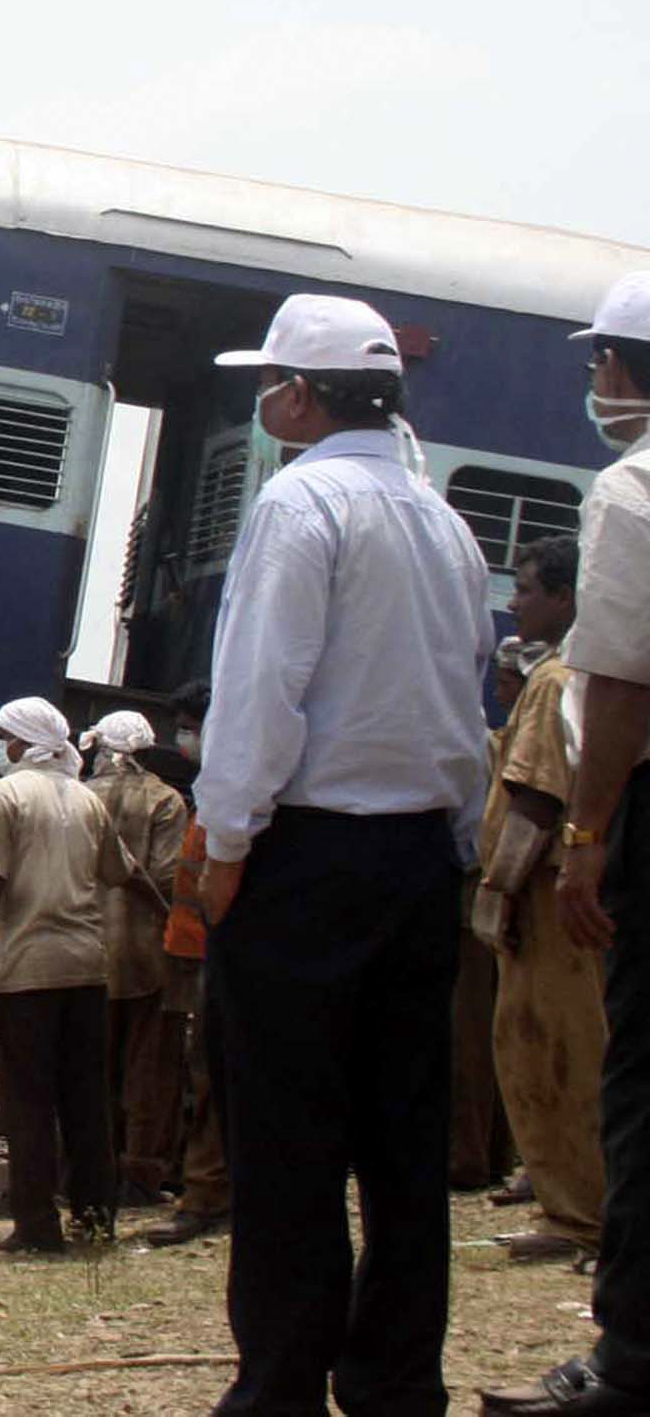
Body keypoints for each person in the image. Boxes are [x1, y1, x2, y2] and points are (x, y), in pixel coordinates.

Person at [198, 294, 494, 1414]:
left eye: (272, 381)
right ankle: (395, 1379)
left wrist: (227, 840)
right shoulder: (445, 523)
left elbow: (261, 690)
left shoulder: (299, 500)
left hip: (308, 856)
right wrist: (454, 845)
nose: (267, 400)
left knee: (287, 1137)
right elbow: (465, 706)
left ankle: (279, 1383)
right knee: (404, 1146)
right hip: (420, 857)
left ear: (305, 394)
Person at [488, 272, 650, 1417]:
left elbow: (626, 686)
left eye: (609, 358)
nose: (597, 378)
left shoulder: (633, 492)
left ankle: (634, 1358)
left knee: (638, 1085)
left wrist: (587, 837)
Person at [0, 696, 125, 1254]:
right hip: (88, 969)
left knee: (29, 1102)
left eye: (3, 736)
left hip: (26, 972)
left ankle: (37, 1226)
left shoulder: (8, 794)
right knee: (87, 1100)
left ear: (21, 742)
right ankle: (95, 1220)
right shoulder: (88, 800)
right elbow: (120, 872)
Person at [475, 536, 600, 1266]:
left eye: (525, 589)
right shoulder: (563, 676)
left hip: (542, 893)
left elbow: (536, 799)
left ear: (564, 596)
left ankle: (579, 1210)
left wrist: (498, 891)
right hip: (549, 888)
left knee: (548, 1047)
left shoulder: (554, 681)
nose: (514, 602)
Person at [141, 680, 234, 1248]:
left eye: (191, 727)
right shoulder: (211, 790)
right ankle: (206, 1189)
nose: (185, 740)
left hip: (216, 956)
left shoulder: (228, 791)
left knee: (210, 1073)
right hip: (198, 952)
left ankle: (205, 1196)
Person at [84, 709, 188, 1201]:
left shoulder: (78, 797)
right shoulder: (166, 801)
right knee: (149, 1071)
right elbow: (168, 876)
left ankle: (86, 1172)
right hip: (148, 955)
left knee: (91, 1070)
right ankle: (141, 1176)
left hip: (86, 954)